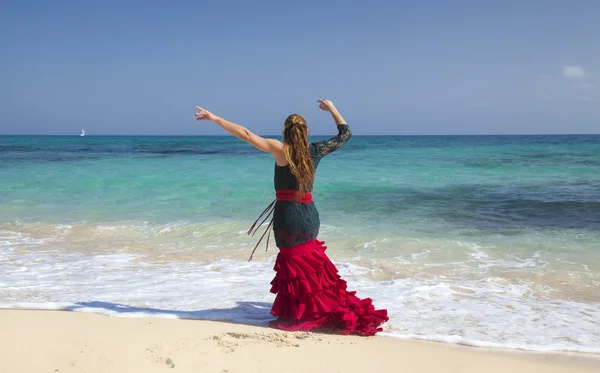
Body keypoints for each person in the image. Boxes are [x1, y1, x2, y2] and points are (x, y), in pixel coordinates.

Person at [194, 100, 388, 336]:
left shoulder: (279, 150)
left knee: (294, 267)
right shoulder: (316, 150)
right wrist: (333, 109)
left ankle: (304, 312)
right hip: (309, 216)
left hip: (287, 217)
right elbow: (345, 134)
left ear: (285, 132)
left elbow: (245, 134)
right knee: (311, 266)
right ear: (306, 131)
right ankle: (316, 307)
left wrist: (215, 118)